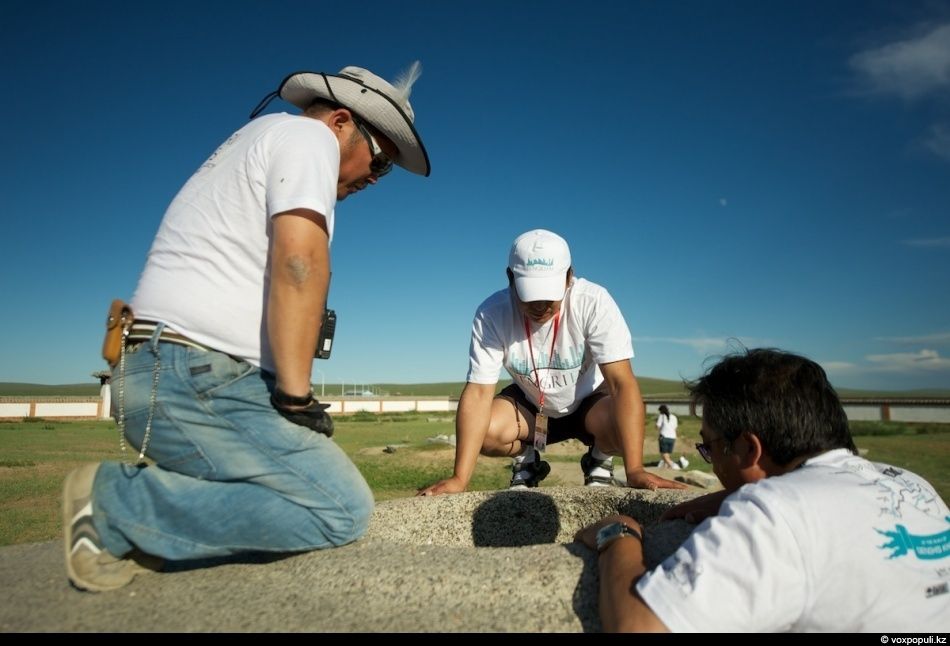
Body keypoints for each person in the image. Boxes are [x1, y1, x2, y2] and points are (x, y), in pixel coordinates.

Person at [62, 63, 432, 592]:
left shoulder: (255, 139)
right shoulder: (310, 139)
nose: (376, 178)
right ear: (343, 122)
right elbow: (300, 263)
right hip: (192, 369)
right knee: (339, 508)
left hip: (162, 363)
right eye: (380, 162)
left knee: (305, 490)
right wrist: (296, 397)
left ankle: (137, 525)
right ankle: (115, 505)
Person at [576, 348, 949, 632]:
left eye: (709, 447)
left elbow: (640, 627)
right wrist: (737, 494)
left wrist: (618, 532)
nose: (710, 461)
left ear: (749, 449)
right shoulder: (909, 482)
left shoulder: (774, 513)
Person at [418, 229, 685, 496]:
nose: (541, 305)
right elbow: (477, 393)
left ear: (569, 276)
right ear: (510, 278)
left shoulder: (594, 301)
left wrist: (635, 469)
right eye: (530, 294)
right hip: (532, 409)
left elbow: (622, 384)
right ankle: (527, 459)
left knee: (623, 422)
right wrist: (459, 478)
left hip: (590, 405)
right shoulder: (492, 313)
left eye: (550, 293)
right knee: (484, 432)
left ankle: (600, 457)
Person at [655, 404, 686, 470]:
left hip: (664, 436)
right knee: (667, 453)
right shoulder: (674, 417)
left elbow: (657, 426)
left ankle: (673, 465)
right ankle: (666, 466)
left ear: (661, 411)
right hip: (672, 437)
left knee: (663, 453)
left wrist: (657, 428)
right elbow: (675, 428)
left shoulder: (661, 416)